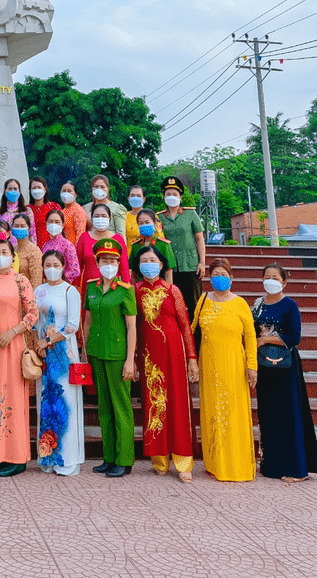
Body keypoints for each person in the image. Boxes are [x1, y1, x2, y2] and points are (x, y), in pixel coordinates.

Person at [252, 263, 317, 482]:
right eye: (267, 276)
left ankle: (297, 469)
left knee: (290, 413)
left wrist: (265, 339)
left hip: (286, 367)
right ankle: (271, 465)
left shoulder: (290, 305)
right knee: (268, 414)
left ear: (284, 282)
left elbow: (294, 337)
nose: (270, 280)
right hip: (264, 367)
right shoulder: (258, 305)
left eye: (275, 277)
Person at [134, 244, 198, 481]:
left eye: (152, 260)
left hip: (174, 353)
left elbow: (185, 326)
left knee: (178, 404)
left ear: (161, 265)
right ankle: (159, 458)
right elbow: (133, 326)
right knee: (154, 403)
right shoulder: (134, 291)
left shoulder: (173, 291)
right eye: (144, 261)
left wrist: (192, 358)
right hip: (150, 356)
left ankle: (183, 461)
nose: (148, 265)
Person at [0, 237, 39, 477]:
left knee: (12, 397)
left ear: (12, 255)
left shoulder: (21, 280)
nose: (1, 255)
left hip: (13, 347)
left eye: (5, 251)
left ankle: (15, 456)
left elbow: (32, 314)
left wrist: (13, 332)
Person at [192, 258, 257, 482]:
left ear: (231, 277)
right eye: (215, 274)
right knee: (212, 413)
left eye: (223, 274)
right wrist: (191, 360)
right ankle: (215, 463)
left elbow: (250, 337)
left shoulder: (240, 304)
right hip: (209, 366)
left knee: (233, 414)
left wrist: (252, 367)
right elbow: (192, 331)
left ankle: (236, 464)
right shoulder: (203, 300)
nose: (219, 278)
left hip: (234, 366)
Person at [84, 238, 137, 477]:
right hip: (96, 352)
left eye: (113, 260)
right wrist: (85, 350)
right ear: (97, 262)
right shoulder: (92, 287)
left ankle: (124, 459)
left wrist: (129, 360)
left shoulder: (126, 291)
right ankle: (109, 457)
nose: (109, 264)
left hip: (117, 355)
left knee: (121, 406)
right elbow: (87, 320)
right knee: (104, 406)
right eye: (105, 260)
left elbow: (131, 327)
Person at [34, 249, 84, 475]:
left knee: (66, 403)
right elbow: (35, 322)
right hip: (45, 355)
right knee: (46, 402)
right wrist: (38, 343)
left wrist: (47, 341)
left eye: (56, 264)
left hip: (64, 354)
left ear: (63, 266)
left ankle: (68, 457)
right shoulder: (39, 291)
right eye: (47, 265)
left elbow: (72, 325)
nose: (51, 269)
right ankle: (48, 455)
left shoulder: (70, 291)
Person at [158, 176, 206, 324]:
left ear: (180, 196)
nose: (171, 197)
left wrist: (202, 262)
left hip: (190, 265)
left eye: (175, 194)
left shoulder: (190, 214)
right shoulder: (159, 218)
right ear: (164, 196)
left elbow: (199, 239)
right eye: (168, 194)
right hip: (169, 267)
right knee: (171, 304)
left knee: (194, 305)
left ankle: (196, 341)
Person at [77, 202, 130, 292]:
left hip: (112, 287)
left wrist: (127, 288)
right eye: (97, 216)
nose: (100, 219)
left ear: (109, 219)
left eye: (103, 216)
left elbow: (124, 267)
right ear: (92, 219)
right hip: (89, 287)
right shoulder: (84, 237)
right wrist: (75, 286)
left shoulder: (118, 239)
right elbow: (78, 266)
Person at [129, 209, 176, 282]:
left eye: (147, 222)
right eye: (141, 223)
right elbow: (134, 274)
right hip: (140, 287)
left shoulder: (164, 245)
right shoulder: (135, 246)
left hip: (160, 287)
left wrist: (169, 291)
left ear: (155, 224)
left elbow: (168, 273)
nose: (144, 225)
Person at [40, 207, 80, 283]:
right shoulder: (45, 245)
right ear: (46, 224)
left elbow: (75, 270)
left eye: (57, 222)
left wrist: (60, 278)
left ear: (62, 225)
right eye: (50, 222)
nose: (53, 224)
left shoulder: (67, 245)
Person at [11, 212, 43, 290]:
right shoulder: (13, 249)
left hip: (27, 294)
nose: (19, 228)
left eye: (22, 226)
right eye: (16, 226)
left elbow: (36, 281)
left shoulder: (34, 251)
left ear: (29, 228)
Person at [28, 176, 61, 244]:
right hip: (35, 247)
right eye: (34, 188)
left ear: (45, 189)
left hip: (54, 245)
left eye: (39, 187)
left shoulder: (54, 206)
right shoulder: (27, 210)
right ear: (30, 191)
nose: (37, 190)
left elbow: (61, 226)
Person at [58, 181, 88, 245]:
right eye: (64, 191)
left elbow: (80, 234)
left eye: (69, 191)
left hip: (73, 249)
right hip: (62, 247)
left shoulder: (78, 211)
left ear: (76, 194)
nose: (66, 193)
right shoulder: (62, 211)